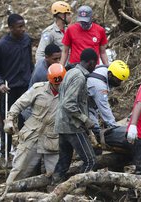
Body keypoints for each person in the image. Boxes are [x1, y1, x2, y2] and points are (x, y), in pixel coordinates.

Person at [3, 63, 66, 184]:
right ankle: (7, 195)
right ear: (50, 80)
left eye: (61, 83)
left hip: (53, 137)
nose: (58, 86)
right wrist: (10, 119)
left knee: (55, 177)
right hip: (31, 135)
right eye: (56, 84)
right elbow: (19, 104)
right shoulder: (38, 89)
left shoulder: (68, 94)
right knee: (18, 172)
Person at [0, 13, 33, 156]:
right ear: (11, 28)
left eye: (23, 26)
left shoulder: (26, 40)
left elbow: (29, 61)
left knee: (25, 119)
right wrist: (0, 84)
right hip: (9, 89)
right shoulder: (2, 45)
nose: (23, 29)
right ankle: (5, 150)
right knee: (7, 121)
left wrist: (32, 78)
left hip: (25, 86)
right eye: (19, 27)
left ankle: (24, 150)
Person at [52, 48, 98, 183]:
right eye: (94, 64)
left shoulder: (70, 72)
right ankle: (77, 188)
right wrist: (85, 120)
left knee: (64, 161)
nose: (94, 67)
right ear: (90, 63)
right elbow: (69, 104)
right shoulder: (79, 77)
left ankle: (55, 186)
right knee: (91, 161)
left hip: (61, 124)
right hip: (73, 126)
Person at [87, 60, 130, 140]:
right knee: (94, 127)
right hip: (82, 104)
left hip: (90, 99)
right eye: (118, 81)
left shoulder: (109, 69)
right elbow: (104, 107)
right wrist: (114, 126)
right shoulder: (99, 85)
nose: (119, 84)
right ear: (110, 75)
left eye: (121, 81)